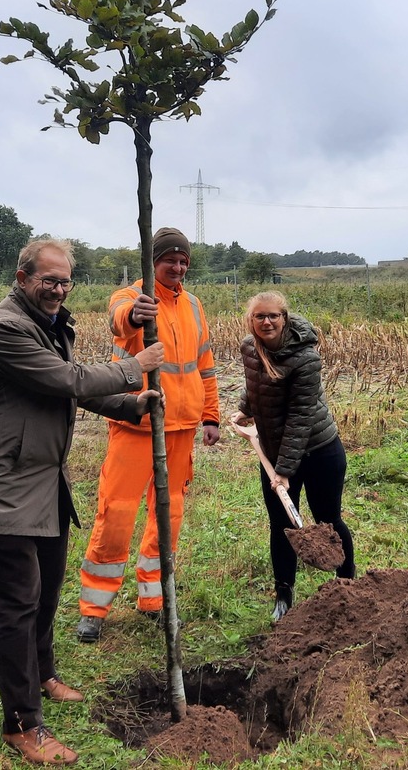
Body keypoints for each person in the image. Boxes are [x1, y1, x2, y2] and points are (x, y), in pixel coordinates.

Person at [0, 238, 164, 766]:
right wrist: (133, 364)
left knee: (46, 592)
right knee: (15, 607)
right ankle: (21, 725)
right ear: (22, 276)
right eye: (49, 280)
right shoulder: (6, 329)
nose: (58, 289)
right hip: (4, 486)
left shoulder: (50, 324)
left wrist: (131, 403)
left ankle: (44, 673)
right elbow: (64, 379)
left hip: (44, 480)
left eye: (66, 280)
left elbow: (76, 393)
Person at [76, 227, 220, 642]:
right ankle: (94, 608)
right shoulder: (130, 297)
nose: (177, 267)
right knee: (117, 511)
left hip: (182, 423)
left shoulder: (193, 305)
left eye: (183, 261)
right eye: (169, 260)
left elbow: (204, 364)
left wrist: (210, 415)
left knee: (168, 513)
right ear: (153, 261)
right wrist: (136, 313)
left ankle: (154, 599)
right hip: (136, 421)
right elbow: (118, 321)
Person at [231, 290, 355, 623]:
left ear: (285, 318)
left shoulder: (306, 358)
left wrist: (284, 471)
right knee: (282, 525)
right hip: (274, 452)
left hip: (318, 451)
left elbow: (301, 416)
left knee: (328, 520)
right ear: (251, 320)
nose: (267, 321)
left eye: (273, 315)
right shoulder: (250, 347)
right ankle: (283, 595)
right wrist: (245, 410)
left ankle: (348, 587)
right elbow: (256, 383)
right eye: (260, 316)